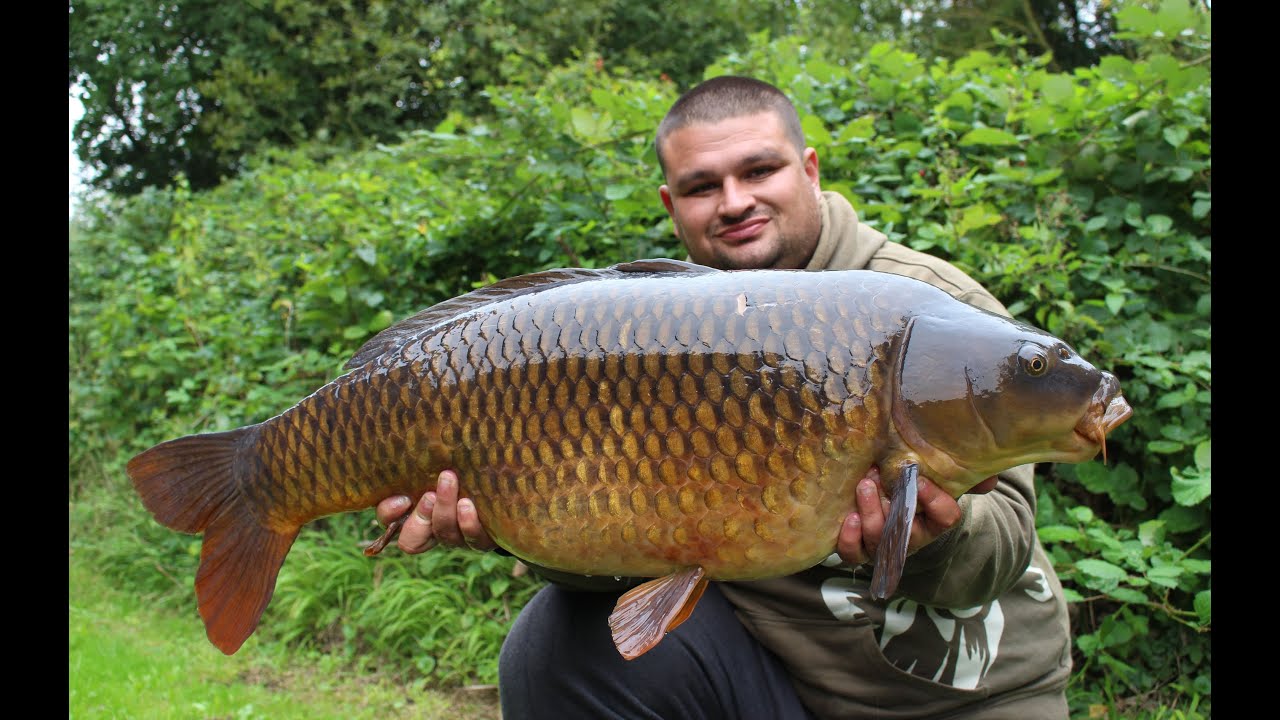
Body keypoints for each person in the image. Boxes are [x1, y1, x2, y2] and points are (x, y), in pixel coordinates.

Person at [375, 76, 1071, 719]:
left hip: (964, 699)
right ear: (671, 205)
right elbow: (616, 554)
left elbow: (1003, 544)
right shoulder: (642, 329)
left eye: (759, 170)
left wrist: (931, 538)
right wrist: (506, 521)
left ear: (810, 170)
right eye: (702, 186)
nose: (735, 202)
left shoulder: (930, 310)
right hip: (777, 679)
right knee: (551, 645)